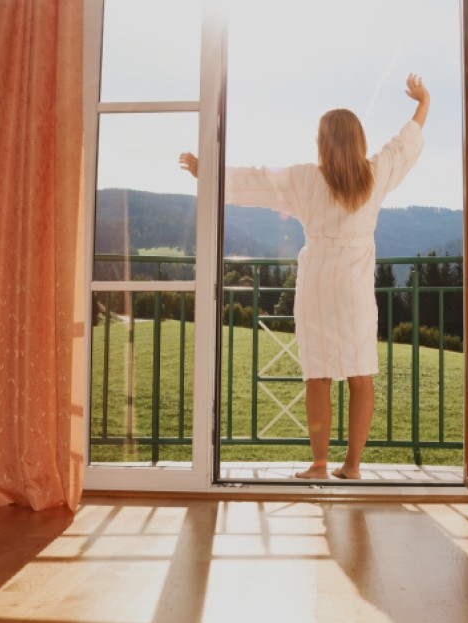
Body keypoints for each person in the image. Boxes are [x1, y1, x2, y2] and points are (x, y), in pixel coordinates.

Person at [180, 73, 430, 479]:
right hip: (354, 289)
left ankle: (318, 464)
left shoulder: (305, 179)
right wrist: (423, 102)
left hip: (318, 286)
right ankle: (352, 465)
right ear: (358, 140)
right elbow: (403, 145)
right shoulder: (375, 173)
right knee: (360, 374)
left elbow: (256, 180)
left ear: (323, 142)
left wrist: (205, 170)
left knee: (319, 375)